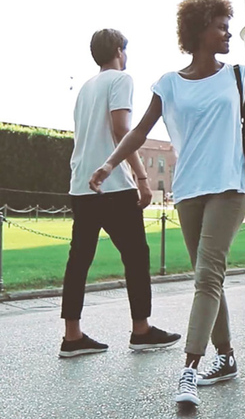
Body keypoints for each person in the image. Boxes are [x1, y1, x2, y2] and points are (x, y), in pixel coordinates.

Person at [89, 0, 245, 408]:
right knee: (209, 276)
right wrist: (108, 165)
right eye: (222, 25)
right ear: (198, 31)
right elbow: (138, 132)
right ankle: (226, 357)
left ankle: (189, 369)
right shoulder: (168, 83)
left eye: (229, 25)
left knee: (207, 276)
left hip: (230, 186)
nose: (229, 32)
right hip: (188, 190)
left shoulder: (240, 75)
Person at [60, 29, 180, 358]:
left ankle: (72, 336)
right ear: (118, 50)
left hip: (81, 184)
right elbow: (121, 130)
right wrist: (142, 177)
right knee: (136, 257)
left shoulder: (85, 88)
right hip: (113, 185)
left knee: (79, 260)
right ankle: (141, 330)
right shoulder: (121, 80)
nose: (126, 56)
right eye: (125, 50)